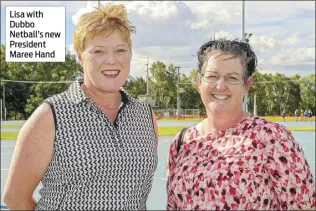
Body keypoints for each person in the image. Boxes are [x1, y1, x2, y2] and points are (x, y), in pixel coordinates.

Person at [3, 3, 158, 210]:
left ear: (130, 54)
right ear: (80, 56)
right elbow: (15, 197)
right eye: (98, 51)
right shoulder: (51, 115)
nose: (111, 61)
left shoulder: (145, 116)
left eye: (120, 50)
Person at [166, 38, 316, 210]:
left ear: (247, 85)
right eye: (212, 76)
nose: (220, 86)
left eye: (232, 78)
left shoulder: (273, 138)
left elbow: (305, 206)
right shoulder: (181, 143)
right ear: (199, 81)